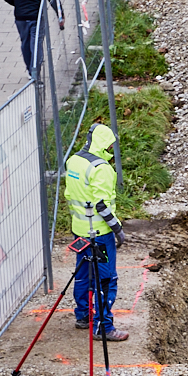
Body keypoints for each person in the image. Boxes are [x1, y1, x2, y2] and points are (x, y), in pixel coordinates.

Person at [65, 123, 128, 341]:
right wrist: (117, 229)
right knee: (106, 279)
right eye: (110, 144)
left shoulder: (74, 161)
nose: (111, 148)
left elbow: (69, 195)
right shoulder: (102, 169)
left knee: (83, 273)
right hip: (99, 233)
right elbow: (102, 205)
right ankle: (104, 327)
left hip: (79, 230)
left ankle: (83, 315)